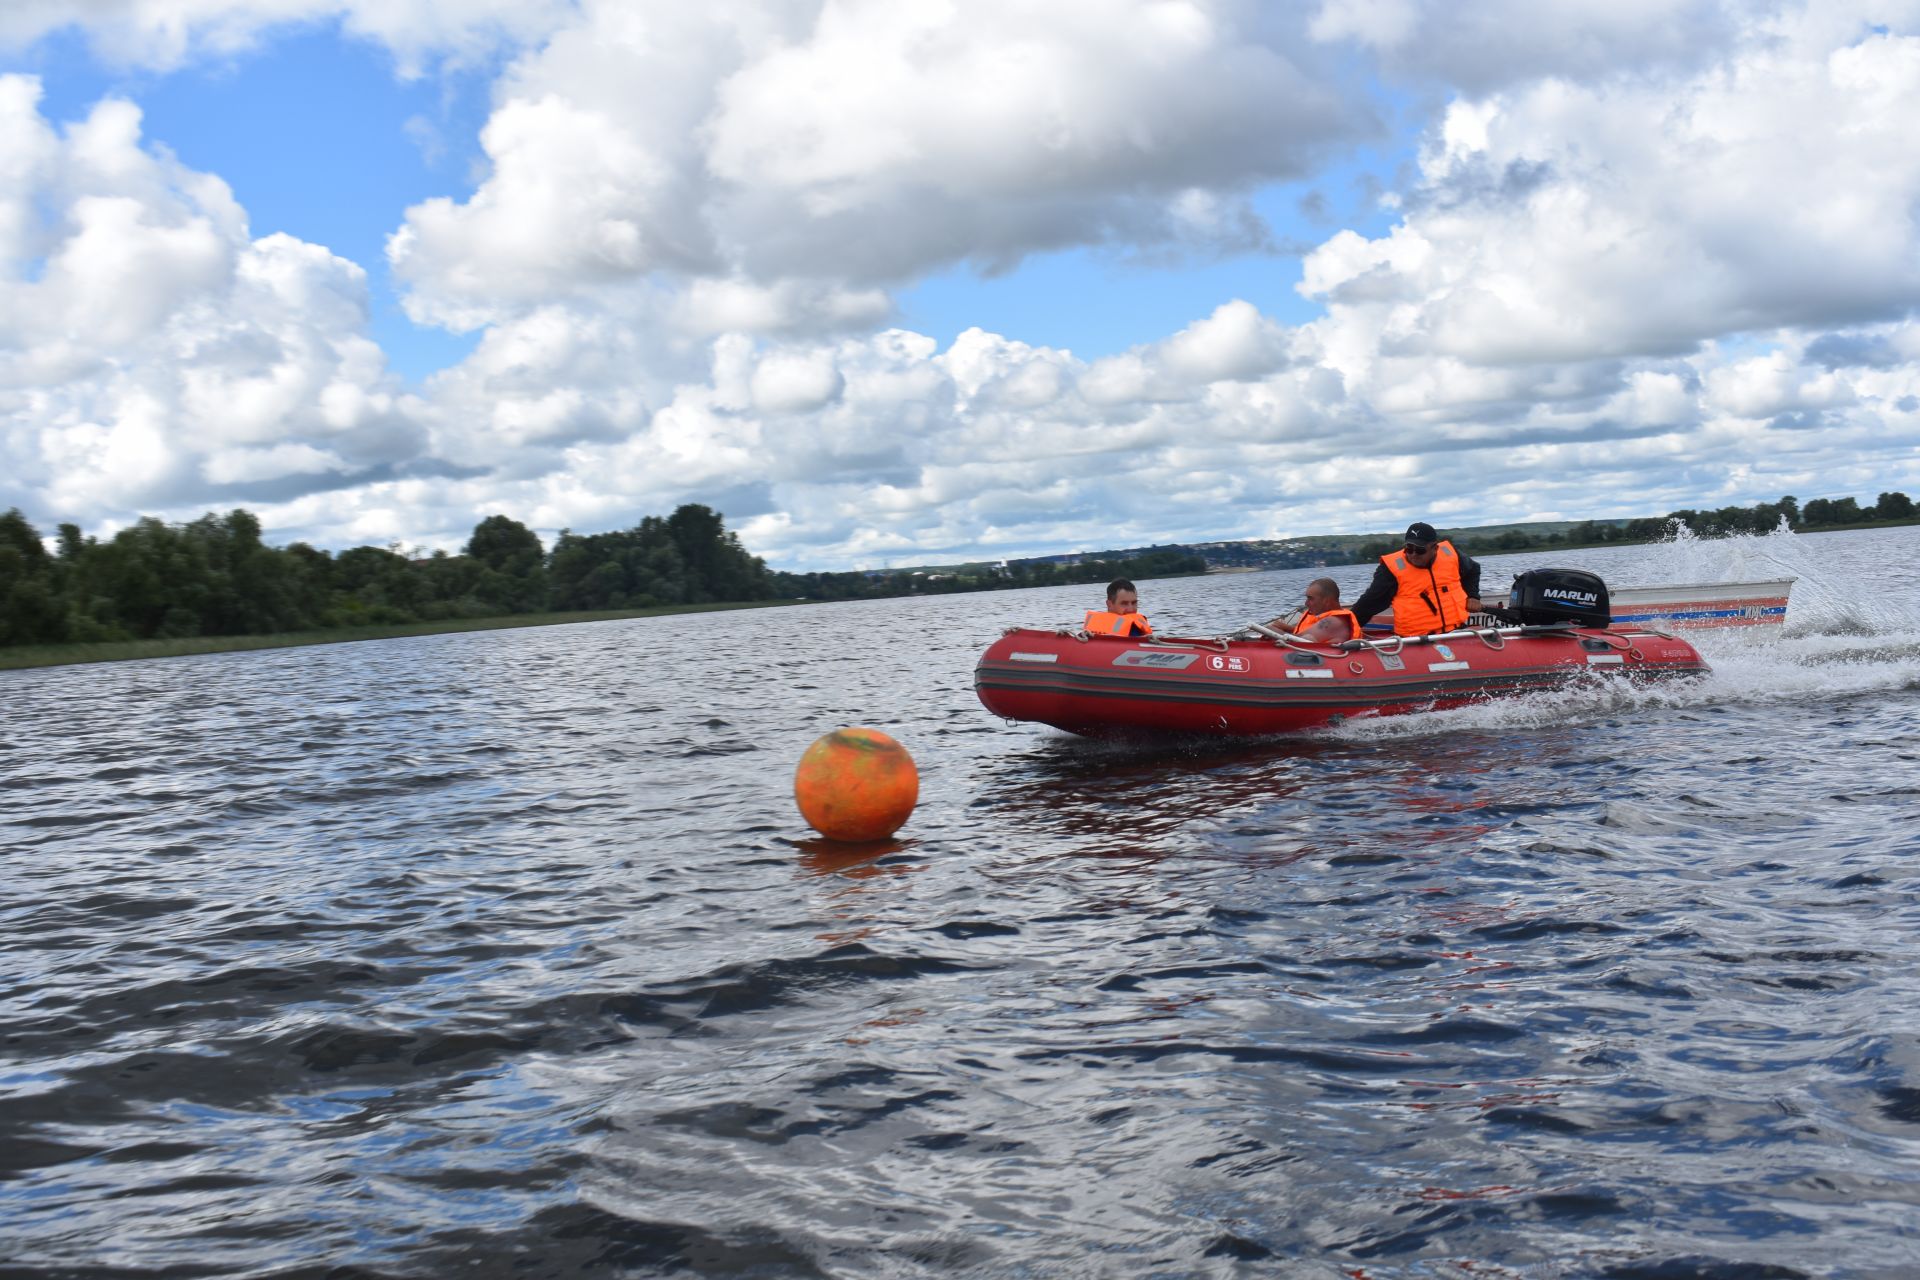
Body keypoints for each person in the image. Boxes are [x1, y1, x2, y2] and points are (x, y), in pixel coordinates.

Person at [1350, 522, 1484, 637]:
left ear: (1434, 548)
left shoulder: (1451, 554)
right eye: (1409, 548)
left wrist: (1473, 595)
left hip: (1456, 632)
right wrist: (1347, 626)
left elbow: (1473, 570)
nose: (1413, 554)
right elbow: (1369, 602)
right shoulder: (1391, 569)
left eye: (1420, 550)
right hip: (1415, 640)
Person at [1268, 577, 1359, 644]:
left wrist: (1269, 630)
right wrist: (1288, 628)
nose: (1306, 603)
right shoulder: (1331, 620)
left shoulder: (1334, 621)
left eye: (1310, 599)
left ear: (1327, 600)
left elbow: (1296, 641)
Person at [1084, 578, 1152, 636]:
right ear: (1109, 604)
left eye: (1134, 603)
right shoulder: (1087, 635)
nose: (1131, 609)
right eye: (1124, 603)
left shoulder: (1136, 628)